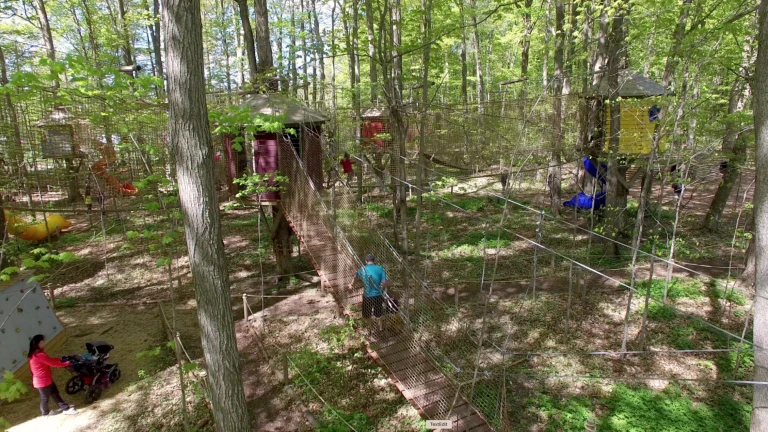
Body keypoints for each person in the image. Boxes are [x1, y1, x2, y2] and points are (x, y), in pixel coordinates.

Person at [28, 334, 78, 417]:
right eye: (43, 340)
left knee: (55, 393)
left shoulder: (35, 354)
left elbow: (49, 360)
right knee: (45, 398)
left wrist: (60, 359)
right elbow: (52, 363)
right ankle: (45, 413)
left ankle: (65, 409)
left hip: (45, 380)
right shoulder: (39, 355)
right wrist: (66, 363)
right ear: (40, 342)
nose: (44, 342)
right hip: (43, 381)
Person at [349, 254, 390, 330]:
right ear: (374, 261)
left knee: (367, 314)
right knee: (378, 313)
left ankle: (370, 329)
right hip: (378, 295)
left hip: (367, 296)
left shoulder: (363, 269)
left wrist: (351, 285)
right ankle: (380, 329)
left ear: (366, 261)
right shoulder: (380, 268)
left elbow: (355, 277)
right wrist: (383, 287)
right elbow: (385, 281)